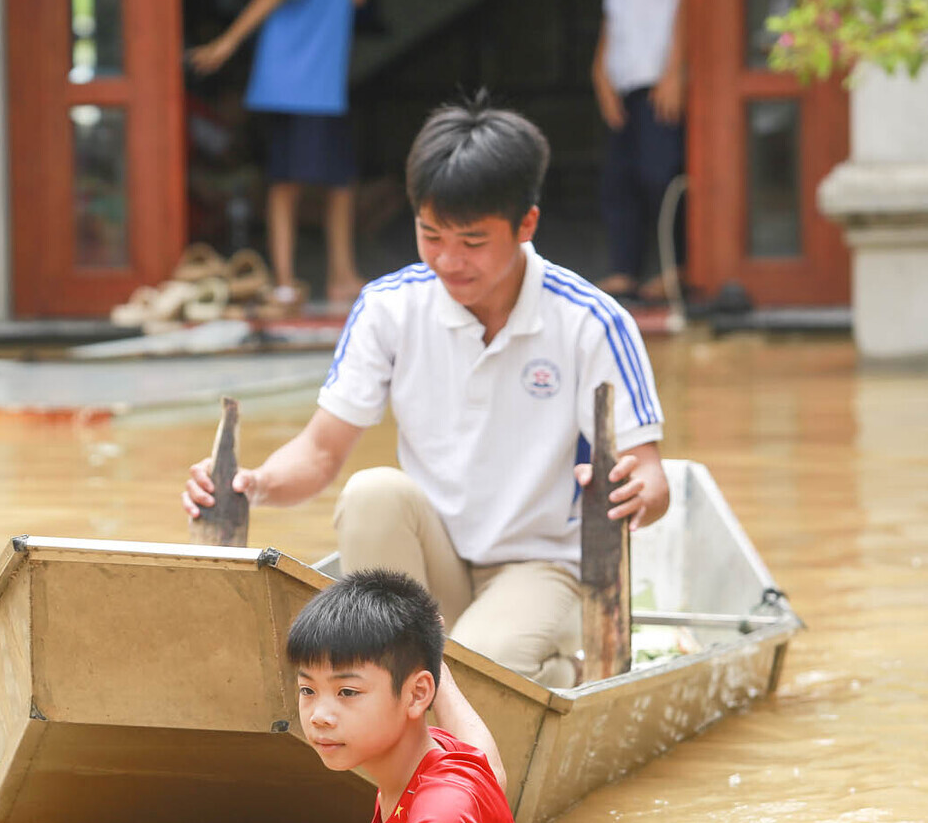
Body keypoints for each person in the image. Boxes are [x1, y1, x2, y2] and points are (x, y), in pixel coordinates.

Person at [182, 96, 670, 688]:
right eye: (430, 234)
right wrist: (252, 484)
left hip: (543, 565)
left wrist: (627, 493)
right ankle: (422, 660)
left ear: (526, 225)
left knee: (477, 675)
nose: (447, 260)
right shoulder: (389, 307)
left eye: (471, 241)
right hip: (434, 561)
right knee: (372, 493)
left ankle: (559, 669)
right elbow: (319, 453)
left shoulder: (592, 321)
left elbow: (652, 480)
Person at [286, 569, 543, 823]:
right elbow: (490, 771)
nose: (319, 715)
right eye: (308, 690)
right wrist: (439, 674)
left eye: (347, 692)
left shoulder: (444, 800)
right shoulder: (428, 758)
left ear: (417, 694)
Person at [188, 0, 367, 307]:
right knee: (287, 183)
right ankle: (284, 282)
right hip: (297, 87)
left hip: (323, 90)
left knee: (341, 181)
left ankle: (342, 274)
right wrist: (227, 43)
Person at [591, 0, 691, 301]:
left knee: (662, 173)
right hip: (626, 71)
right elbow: (614, 6)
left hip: (658, 71)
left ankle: (680, 267)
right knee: (620, 178)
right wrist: (599, 67)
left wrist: (676, 69)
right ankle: (625, 270)